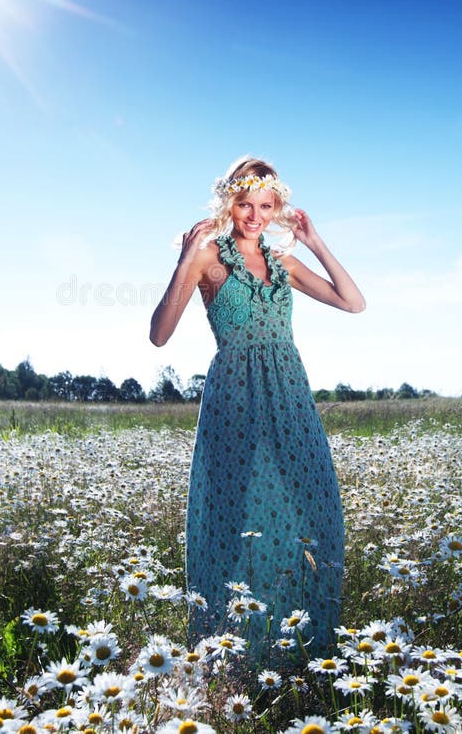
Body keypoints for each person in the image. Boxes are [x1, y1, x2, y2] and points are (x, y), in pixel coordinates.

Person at [150, 156, 365, 663]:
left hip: (290, 397)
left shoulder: (284, 263)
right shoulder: (207, 258)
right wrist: (184, 262)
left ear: (276, 208)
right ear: (231, 202)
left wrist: (314, 241)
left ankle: (303, 644)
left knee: (312, 511)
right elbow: (159, 335)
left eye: (265, 206)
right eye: (246, 204)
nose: (254, 215)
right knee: (235, 517)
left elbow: (353, 303)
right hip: (234, 400)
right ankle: (233, 650)